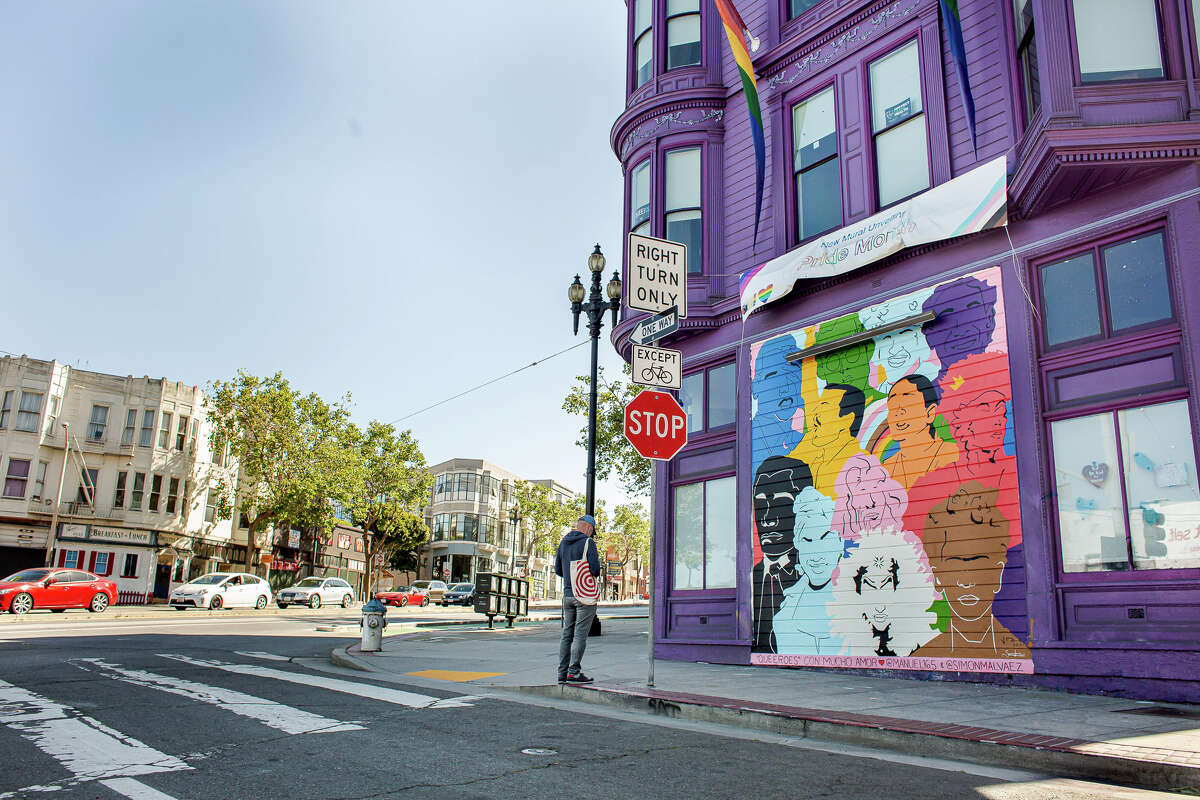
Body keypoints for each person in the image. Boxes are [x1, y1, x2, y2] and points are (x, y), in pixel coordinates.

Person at [553, 514, 602, 684]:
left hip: (567, 595)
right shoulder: (588, 543)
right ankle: (574, 672)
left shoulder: (564, 542)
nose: (592, 534)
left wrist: (569, 578)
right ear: (589, 527)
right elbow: (595, 570)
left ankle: (562, 672)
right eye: (592, 530)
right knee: (580, 635)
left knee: (567, 634)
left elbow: (558, 569)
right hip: (584, 596)